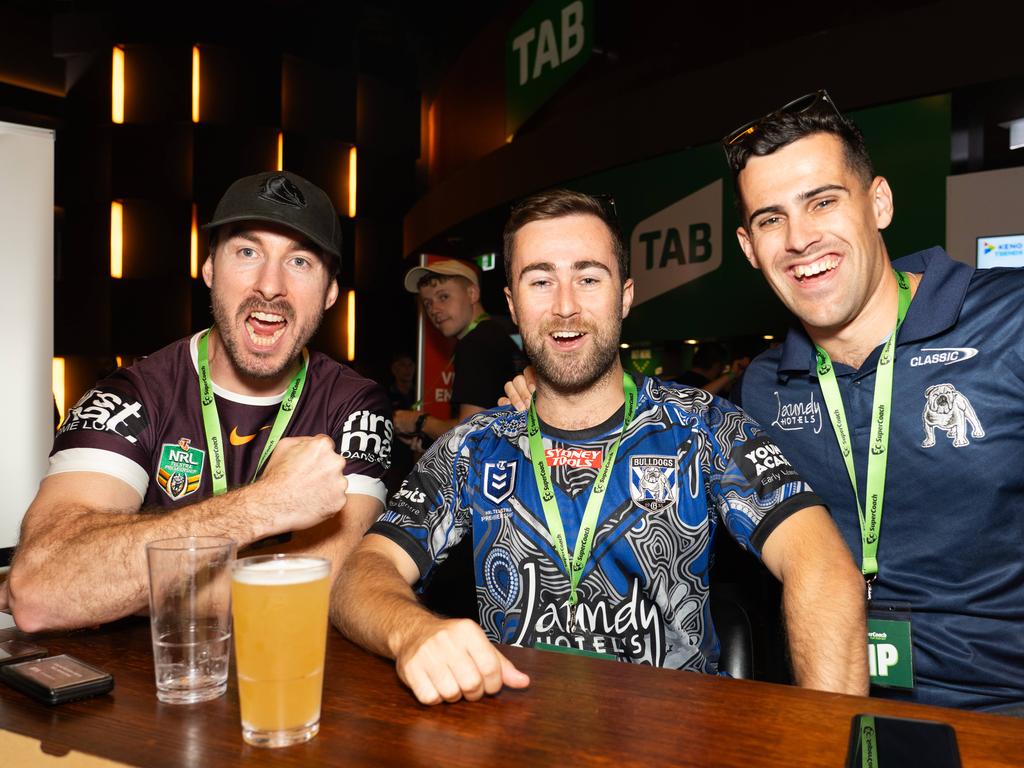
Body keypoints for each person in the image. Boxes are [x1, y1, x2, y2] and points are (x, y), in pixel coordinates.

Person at [331, 188, 867, 706]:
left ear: (626, 295)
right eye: (541, 281)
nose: (566, 307)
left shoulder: (703, 426)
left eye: (588, 277)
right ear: (514, 306)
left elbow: (820, 563)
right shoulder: (474, 447)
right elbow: (361, 574)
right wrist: (414, 632)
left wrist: (823, 738)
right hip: (514, 736)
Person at [723, 90, 1024, 711]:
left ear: (878, 202)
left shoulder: (1008, 323)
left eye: (823, 202)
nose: (799, 239)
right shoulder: (762, 388)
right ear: (749, 248)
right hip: (834, 701)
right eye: (771, 219)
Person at [3, 171, 392, 632]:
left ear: (330, 292)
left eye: (300, 261)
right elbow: (43, 589)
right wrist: (267, 503)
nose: (270, 285)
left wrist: (111, 589)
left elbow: (329, 582)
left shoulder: (353, 404)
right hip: (145, 691)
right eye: (247, 252)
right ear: (209, 270)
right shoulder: (129, 396)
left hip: (286, 684)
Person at [392, 259, 521, 443]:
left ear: (472, 293)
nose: (434, 309)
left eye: (443, 297)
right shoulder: (495, 333)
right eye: (427, 303)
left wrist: (419, 422)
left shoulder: (475, 344)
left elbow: (470, 434)